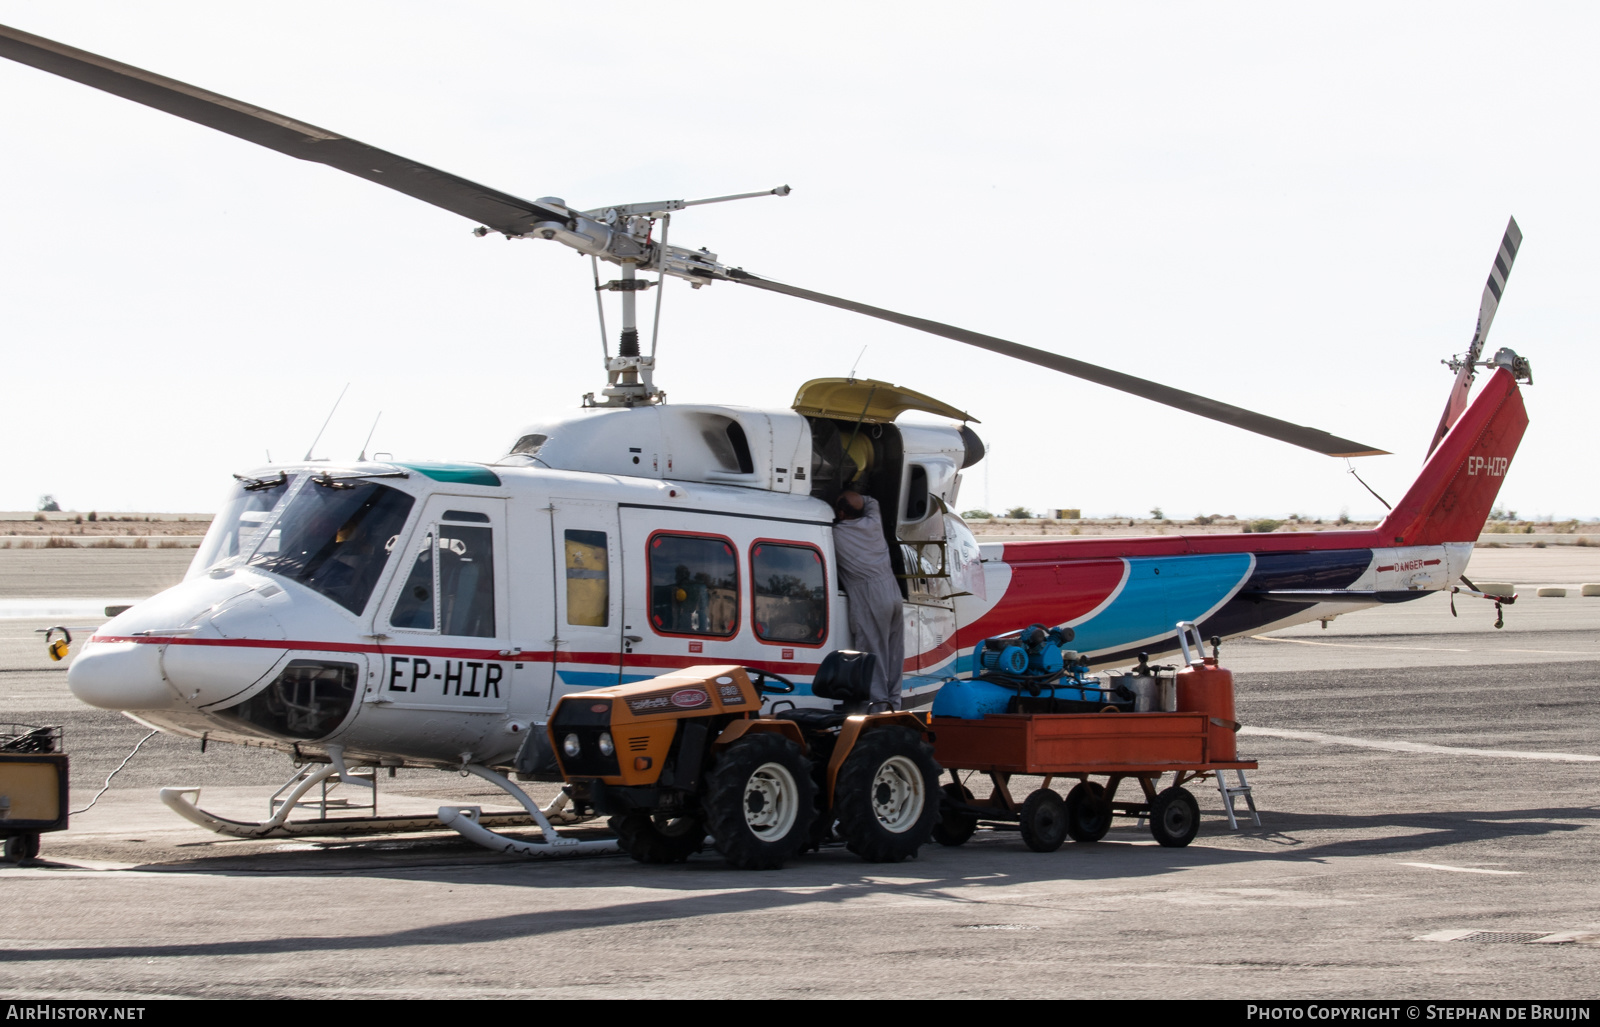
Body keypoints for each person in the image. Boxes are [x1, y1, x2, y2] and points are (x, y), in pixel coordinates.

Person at [831, 490, 905, 710]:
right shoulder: (873, 522)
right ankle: (894, 703)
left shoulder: (836, 534)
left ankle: (878, 705)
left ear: (841, 512)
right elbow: (872, 500)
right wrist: (855, 494)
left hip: (869, 594)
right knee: (894, 652)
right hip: (892, 590)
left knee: (873, 652)